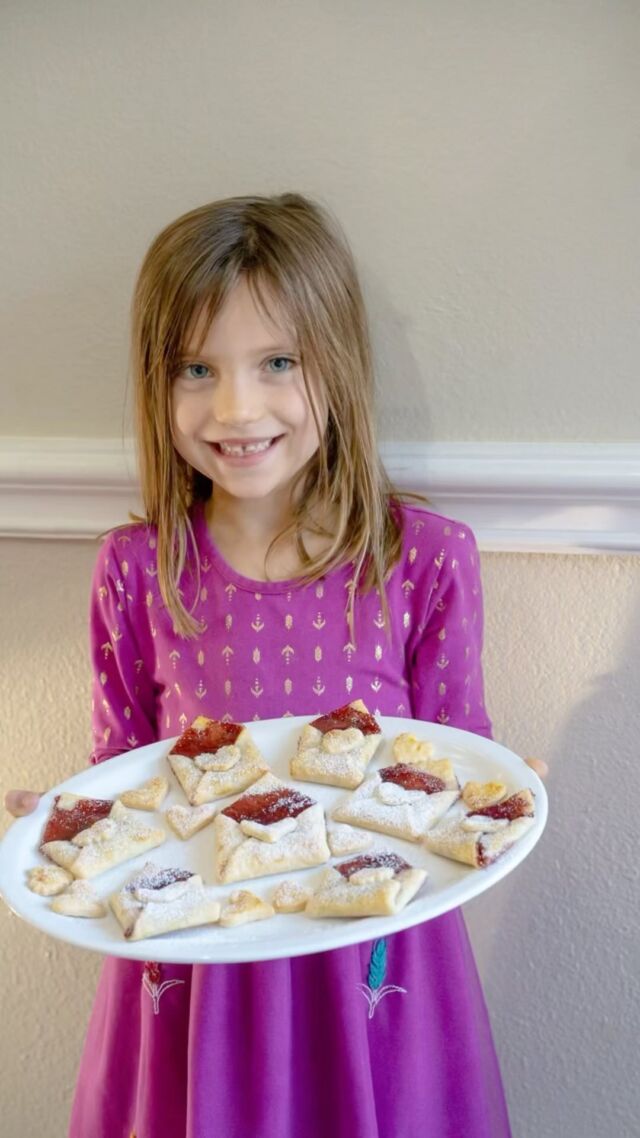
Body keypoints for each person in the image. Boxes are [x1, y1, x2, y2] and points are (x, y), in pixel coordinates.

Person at [6, 192, 546, 1138]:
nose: (235, 408)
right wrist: (66, 818)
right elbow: (131, 784)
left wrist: (504, 794)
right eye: (196, 369)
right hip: (193, 974)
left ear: (335, 367)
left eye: (278, 363)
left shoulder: (423, 561)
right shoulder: (138, 572)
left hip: (376, 975)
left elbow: (453, 769)